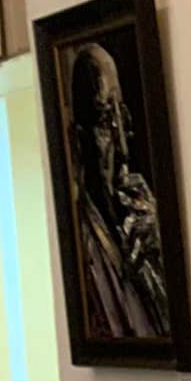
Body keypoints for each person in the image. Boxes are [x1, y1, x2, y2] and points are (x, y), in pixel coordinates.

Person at [65, 42, 167, 340]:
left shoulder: (137, 227)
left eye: (121, 115)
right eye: (105, 119)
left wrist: (161, 249)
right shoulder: (81, 247)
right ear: (79, 141)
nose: (122, 144)